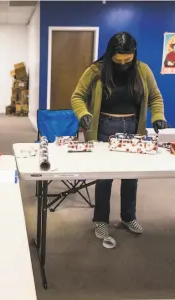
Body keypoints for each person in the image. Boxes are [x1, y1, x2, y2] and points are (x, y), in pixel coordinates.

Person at [71, 32, 168, 241]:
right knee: (104, 177)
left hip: (133, 128)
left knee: (131, 177)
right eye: (118, 59)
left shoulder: (143, 70)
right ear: (110, 54)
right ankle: (101, 221)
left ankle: (128, 216)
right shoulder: (96, 70)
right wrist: (83, 113)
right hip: (105, 127)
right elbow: (77, 96)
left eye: (127, 59)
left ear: (134, 54)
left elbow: (155, 96)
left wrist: (158, 116)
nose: (123, 63)